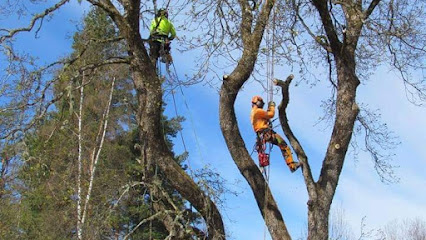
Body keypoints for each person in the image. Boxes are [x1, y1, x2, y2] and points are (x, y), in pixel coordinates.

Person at [250, 95, 301, 172]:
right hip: (266, 133)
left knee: (261, 152)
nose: (262, 104)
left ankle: (261, 166)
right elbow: (271, 114)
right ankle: (292, 165)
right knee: (284, 145)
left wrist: (266, 120)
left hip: (261, 135)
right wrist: (272, 106)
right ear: (256, 102)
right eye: (261, 102)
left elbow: (264, 119)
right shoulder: (257, 111)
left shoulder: (253, 112)